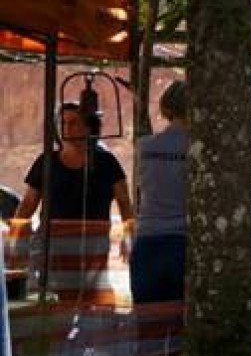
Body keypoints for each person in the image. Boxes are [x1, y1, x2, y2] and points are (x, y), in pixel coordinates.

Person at [14, 101, 133, 305]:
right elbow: (27, 204)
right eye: (64, 123)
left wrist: (129, 236)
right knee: (53, 301)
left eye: (74, 123)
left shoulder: (107, 163)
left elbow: (124, 201)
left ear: (89, 127)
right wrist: (16, 238)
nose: (67, 128)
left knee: (91, 301)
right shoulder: (47, 162)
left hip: (92, 249)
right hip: (53, 248)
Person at [131, 80, 188, 303]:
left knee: (147, 325)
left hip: (146, 240)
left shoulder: (145, 146)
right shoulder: (198, 149)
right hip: (182, 241)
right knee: (179, 325)